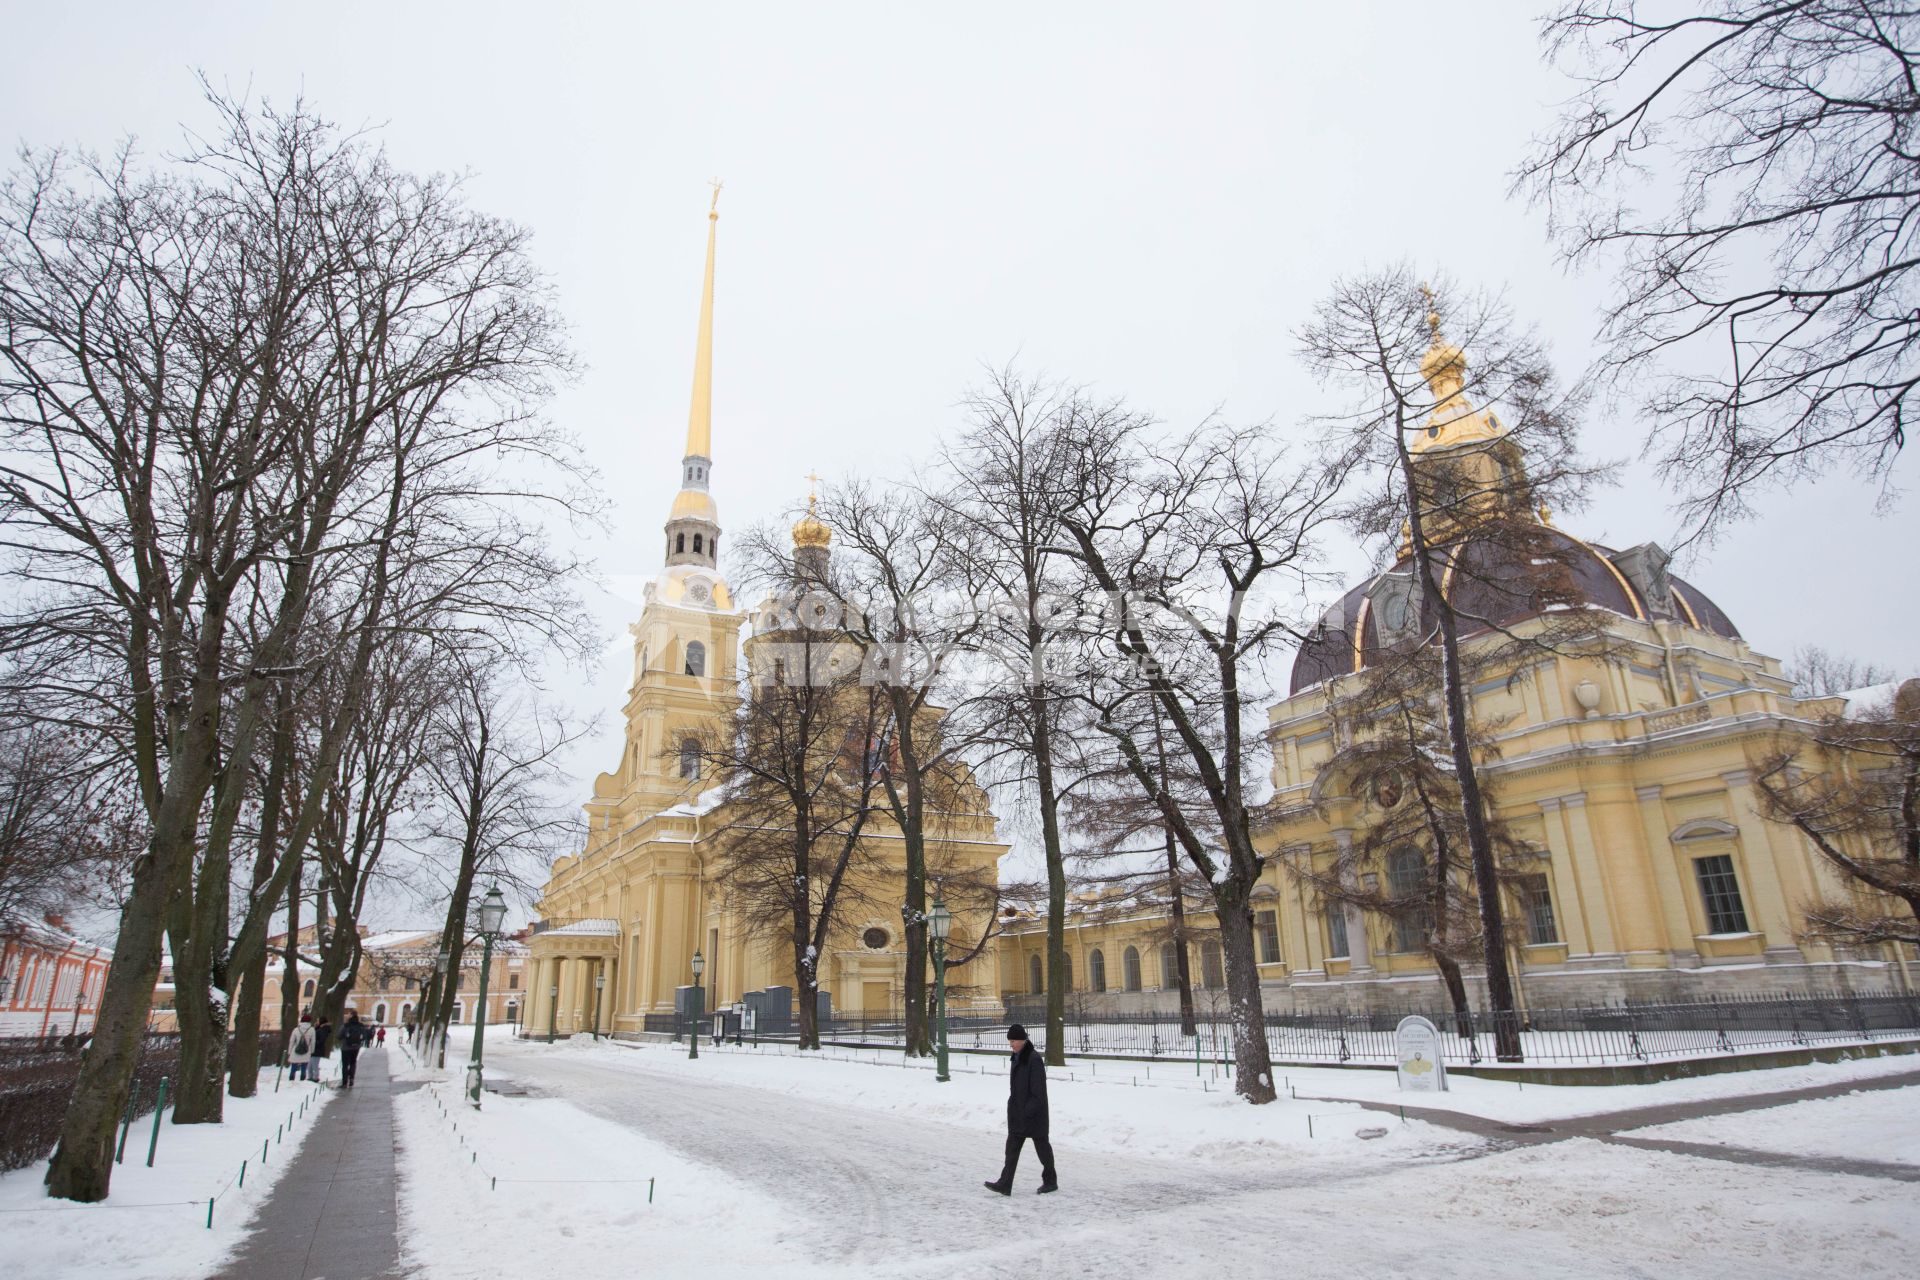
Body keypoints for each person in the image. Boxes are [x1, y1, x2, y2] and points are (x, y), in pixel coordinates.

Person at [984, 1023, 1057, 1196]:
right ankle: (1005, 1184)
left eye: (1014, 1041)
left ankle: (1050, 1180)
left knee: (1043, 1149)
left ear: (1023, 1040)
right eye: (1010, 1041)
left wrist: (1027, 1111)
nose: (1012, 1045)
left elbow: (1038, 1092)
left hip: (1034, 1115)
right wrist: (1014, 1106)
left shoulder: (1033, 1059)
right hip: (1019, 1113)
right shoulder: (1017, 1057)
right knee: (1011, 1150)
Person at [338, 1010, 371, 1087]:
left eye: (349, 1014)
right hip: (356, 1047)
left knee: (345, 1064)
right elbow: (365, 1036)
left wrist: (344, 1038)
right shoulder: (360, 1025)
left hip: (346, 1047)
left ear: (351, 1015)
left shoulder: (346, 1025)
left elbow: (339, 1035)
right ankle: (352, 1079)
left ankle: (344, 1082)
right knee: (353, 1063)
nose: (347, 1015)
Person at [287, 1015, 315, 1081]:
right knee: (304, 1066)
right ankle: (302, 1079)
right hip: (306, 1050)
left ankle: (291, 1079)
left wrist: (289, 1051)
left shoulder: (296, 1029)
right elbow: (313, 1041)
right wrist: (312, 1051)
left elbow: (291, 1041)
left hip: (296, 1050)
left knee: (293, 1066)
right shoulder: (312, 1030)